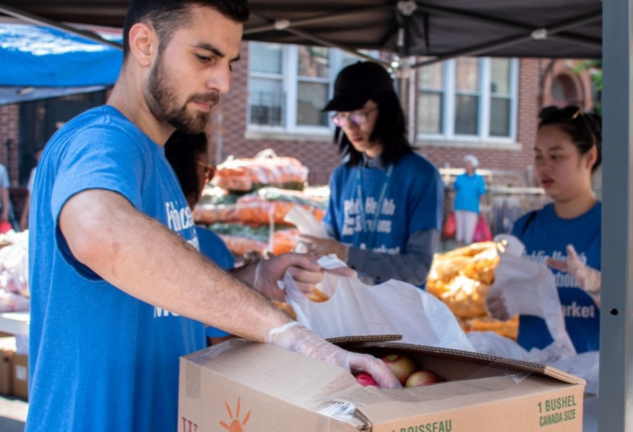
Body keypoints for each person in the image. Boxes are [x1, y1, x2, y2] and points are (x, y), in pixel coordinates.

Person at [27, 2, 398, 431]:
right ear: (144, 44)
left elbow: (161, 297)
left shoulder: (157, 161)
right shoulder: (101, 140)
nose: (222, 81)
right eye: (205, 57)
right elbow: (100, 232)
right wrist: (284, 331)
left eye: (230, 63)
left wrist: (253, 280)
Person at [300, 62, 444, 287]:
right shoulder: (342, 176)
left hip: (399, 316)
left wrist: (348, 254)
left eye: (359, 115)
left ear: (386, 110)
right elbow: (327, 246)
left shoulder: (422, 176)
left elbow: (417, 269)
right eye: (341, 117)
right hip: (347, 313)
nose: (349, 127)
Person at [486, 105, 603, 354]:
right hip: (532, 378)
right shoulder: (525, 227)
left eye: (556, 156)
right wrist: (499, 304)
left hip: (591, 382)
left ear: (589, 158)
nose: (544, 166)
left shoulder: (614, 230)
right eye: (539, 156)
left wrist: (596, 286)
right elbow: (508, 294)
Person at [164, 130, 235, 343]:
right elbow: (221, 348)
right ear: (189, 170)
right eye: (207, 172)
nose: (207, 181)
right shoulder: (209, 246)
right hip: (189, 375)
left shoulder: (127, 239)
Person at [453, 154, 486, 245]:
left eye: (469, 164)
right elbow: (455, 191)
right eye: (465, 163)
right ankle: (458, 248)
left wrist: (483, 209)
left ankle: (467, 248)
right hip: (459, 206)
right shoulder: (460, 177)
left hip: (472, 207)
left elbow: (482, 195)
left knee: (469, 230)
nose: (467, 165)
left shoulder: (478, 179)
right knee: (460, 229)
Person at [20, 147, 43, 231]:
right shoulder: (34, 172)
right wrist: (24, 217)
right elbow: (30, 195)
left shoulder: (56, 172)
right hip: (37, 212)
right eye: (39, 155)